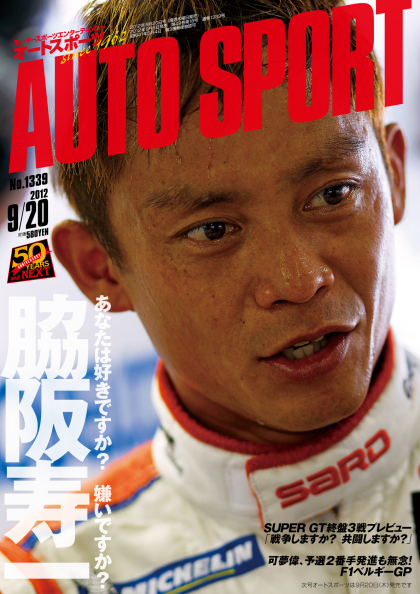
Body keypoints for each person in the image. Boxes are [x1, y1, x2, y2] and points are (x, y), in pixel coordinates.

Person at [1, 0, 419, 592]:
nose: (298, 281)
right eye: (214, 231)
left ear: (394, 175)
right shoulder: (53, 576)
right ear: (101, 270)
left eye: (333, 194)